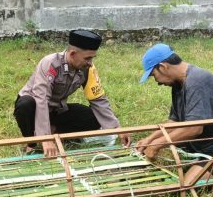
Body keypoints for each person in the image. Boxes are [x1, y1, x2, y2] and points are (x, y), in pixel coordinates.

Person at [135, 43, 213, 184]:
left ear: (163, 67)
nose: (157, 81)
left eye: (153, 75)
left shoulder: (197, 81)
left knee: (182, 187)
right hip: (203, 144)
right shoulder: (178, 83)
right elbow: (174, 122)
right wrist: (150, 139)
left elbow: (194, 128)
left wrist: (157, 145)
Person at [14, 29, 130, 157]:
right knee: (25, 104)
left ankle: (54, 131)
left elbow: (98, 99)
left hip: (56, 109)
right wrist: (45, 138)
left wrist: (118, 128)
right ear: (73, 53)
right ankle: (32, 143)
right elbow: (41, 100)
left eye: (92, 58)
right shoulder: (50, 63)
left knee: (92, 117)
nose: (90, 62)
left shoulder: (87, 68)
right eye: (88, 58)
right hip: (35, 107)